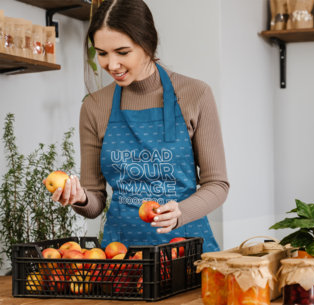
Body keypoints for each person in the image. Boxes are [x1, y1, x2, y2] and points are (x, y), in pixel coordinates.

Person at [46, 0, 229, 253]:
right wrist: (80, 198)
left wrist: (181, 212)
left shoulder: (195, 94)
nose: (111, 65)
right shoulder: (94, 106)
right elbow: (95, 200)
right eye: (102, 53)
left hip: (186, 252)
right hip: (122, 256)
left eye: (122, 52)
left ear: (147, 44)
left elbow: (217, 184)